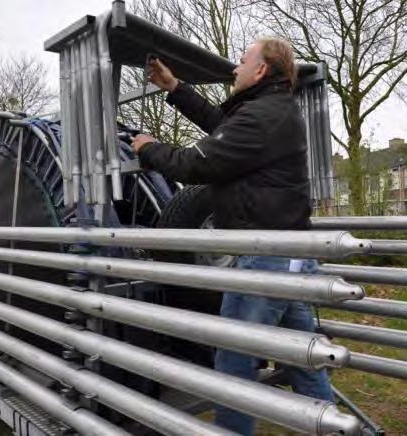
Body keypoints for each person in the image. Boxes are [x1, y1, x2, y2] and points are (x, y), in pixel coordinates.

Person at [132, 38, 334, 435]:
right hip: (290, 256)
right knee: (299, 357)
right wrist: (175, 88)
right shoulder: (271, 111)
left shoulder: (262, 117)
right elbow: (224, 128)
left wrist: (149, 148)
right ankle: (332, 426)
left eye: (242, 62)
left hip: (267, 260)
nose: (234, 69)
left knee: (232, 363)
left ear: (261, 70)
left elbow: (194, 163)